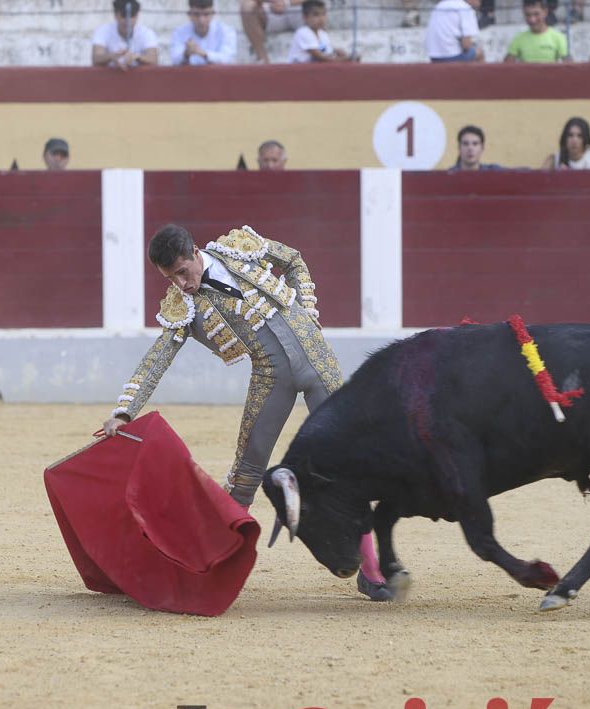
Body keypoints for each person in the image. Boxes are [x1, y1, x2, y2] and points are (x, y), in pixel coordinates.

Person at [100, 224, 400, 601]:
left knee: (349, 464)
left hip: (319, 362)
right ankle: (214, 565)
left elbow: (292, 259)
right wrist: (125, 410)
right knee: (246, 473)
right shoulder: (183, 308)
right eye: (170, 278)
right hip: (271, 378)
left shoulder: (239, 248)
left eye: (182, 272)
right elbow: (157, 357)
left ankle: (371, 572)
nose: (180, 284)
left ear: (195, 252)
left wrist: (306, 312)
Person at [92, 0, 159, 70]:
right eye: (123, 16)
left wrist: (137, 57)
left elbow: (154, 59)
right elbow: (96, 58)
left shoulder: (146, 33)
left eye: (132, 15)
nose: (128, 20)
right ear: (115, 15)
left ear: (137, 15)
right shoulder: (103, 31)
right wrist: (112, 57)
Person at [171, 0, 238, 65]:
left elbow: (228, 59)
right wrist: (186, 53)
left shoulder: (226, 32)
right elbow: (174, 59)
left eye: (206, 14)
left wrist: (203, 54)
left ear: (213, 14)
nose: (201, 20)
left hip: (218, 75)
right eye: (196, 14)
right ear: (189, 14)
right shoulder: (179, 32)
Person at [287, 0, 355, 62]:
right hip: (297, 71)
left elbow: (323, 50)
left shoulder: (322, 34)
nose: (321, 19)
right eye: (316, 15)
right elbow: (321, 57)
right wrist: (345, 59)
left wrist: (336, 51)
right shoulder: (303, 32)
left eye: (323, 14)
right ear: (305, 17)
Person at [504, 0, 570, 63]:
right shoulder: (518, 38)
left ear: (545, 12)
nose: (532, 19)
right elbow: (505, 68)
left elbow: (570, 67)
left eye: (536, 14)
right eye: (528, 15)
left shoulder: (558, 37)